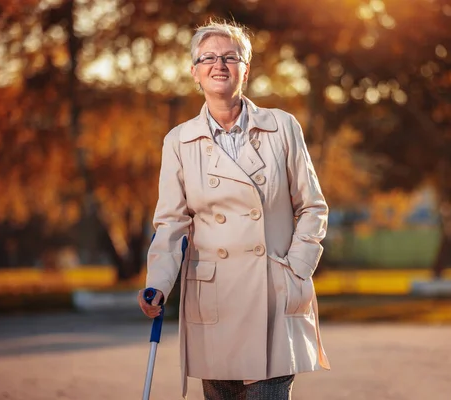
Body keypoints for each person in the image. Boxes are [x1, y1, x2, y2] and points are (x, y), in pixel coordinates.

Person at [137, 19, 330, 400]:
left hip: (272, 295)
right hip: (213, 298)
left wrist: (296, 270)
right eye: (207, 58)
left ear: (246, 68)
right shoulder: (179, 141)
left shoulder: (282, 127)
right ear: (195, 72)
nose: (219, 64)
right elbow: (171, 223)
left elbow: (312, 206)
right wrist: (158, 283)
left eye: (230, 57)